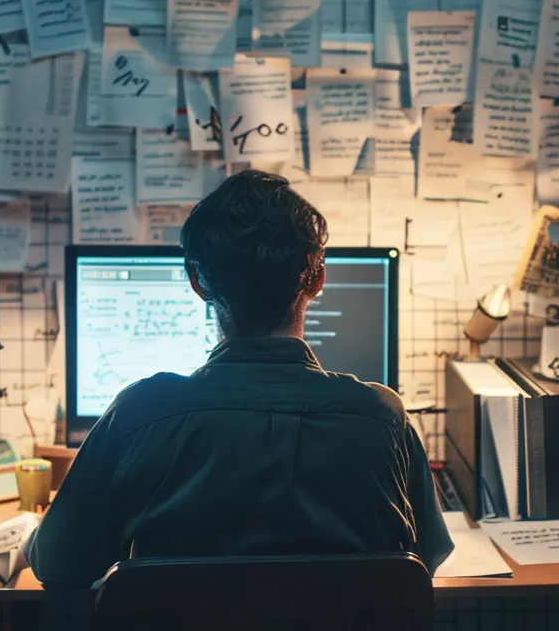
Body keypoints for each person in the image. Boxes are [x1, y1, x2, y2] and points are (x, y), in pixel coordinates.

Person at [26, 170, 452, 591]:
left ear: (197, 283)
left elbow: (58, 564)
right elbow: (425, 560)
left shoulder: (140, 415)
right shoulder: (382, 419)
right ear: (318, 280)